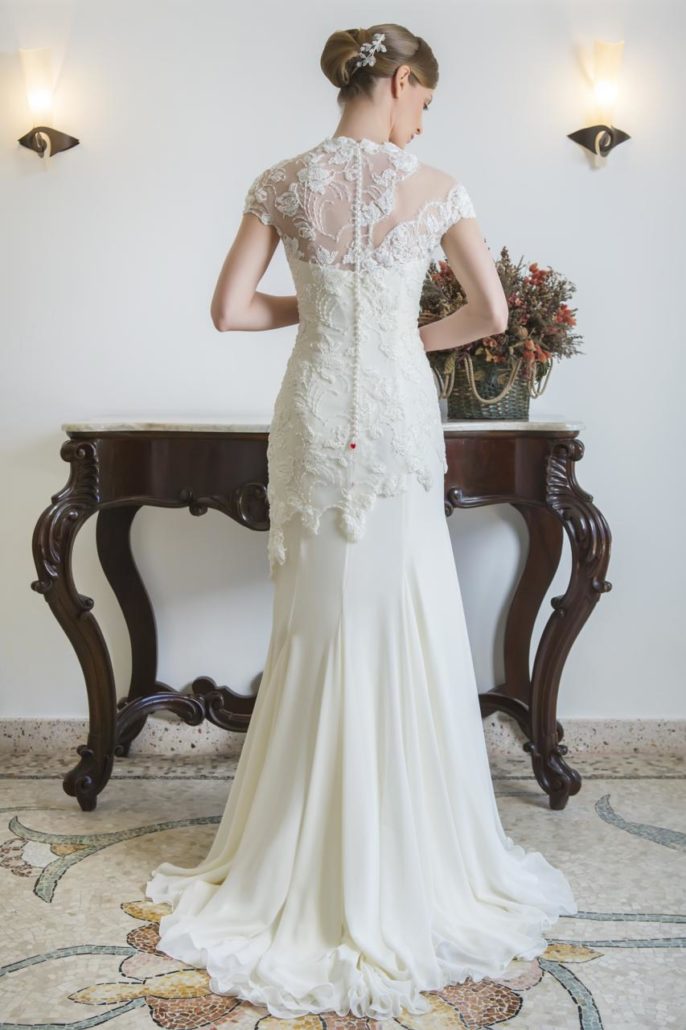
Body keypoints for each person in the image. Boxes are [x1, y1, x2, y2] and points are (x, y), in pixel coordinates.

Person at [145, 22, 578, 1020]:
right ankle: (410, 854)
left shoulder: (280, 181)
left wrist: (321, 301)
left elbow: (229, 311)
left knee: (313, 616)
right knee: (402, 608)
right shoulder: (437, 187)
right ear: (399, 80)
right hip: (392, 414)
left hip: (309, 415)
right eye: (423, 99)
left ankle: (295, 854)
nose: (421, 119)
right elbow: (489, 313)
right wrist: (396, 329)